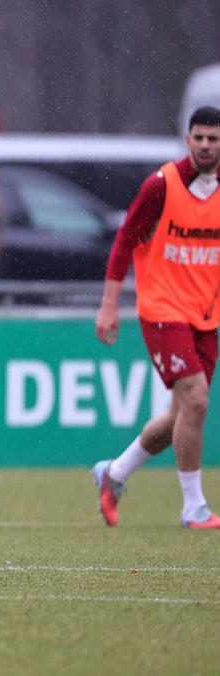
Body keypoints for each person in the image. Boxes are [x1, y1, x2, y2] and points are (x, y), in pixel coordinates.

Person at [93, 105, 220, 529]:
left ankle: (114, 473)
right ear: (188, 140)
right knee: (197, 400)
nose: (205, 145)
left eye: (213, 138)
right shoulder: (162, 185)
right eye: (199, 137)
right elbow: (125, 240)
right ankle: (194, 507)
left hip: (205, 315)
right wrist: (109, 305)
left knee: (182, 415)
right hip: (162, 310)